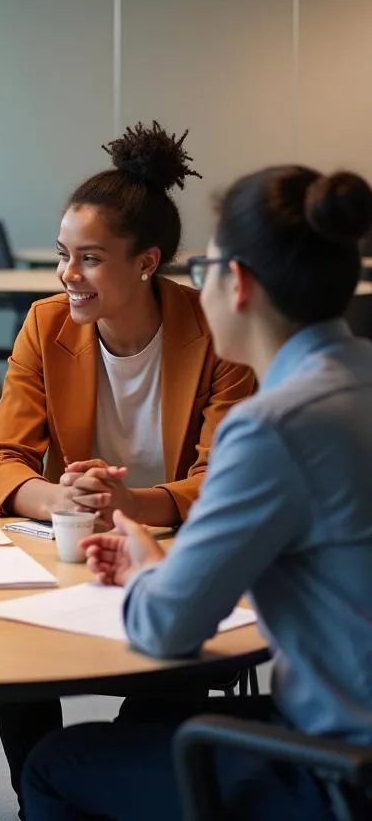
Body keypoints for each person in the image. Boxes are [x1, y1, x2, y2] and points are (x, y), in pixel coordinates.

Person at [22, 164, 372, 820]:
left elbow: (165, 629)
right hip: (337, 726)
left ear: (235, 284)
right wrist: (161, 562)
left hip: (336, 769)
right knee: (136, 733)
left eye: (207, 264)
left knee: (56, 765)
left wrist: (150, 570)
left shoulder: (275, 427)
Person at [0, 123, 256, 813]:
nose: (68, 275)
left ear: (145, 261)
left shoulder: (216, 331)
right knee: (9, 646)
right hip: (72, 555)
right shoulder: (47, 325)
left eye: (91, 258)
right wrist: (60, 496)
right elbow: (2, 460)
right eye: (63, 255)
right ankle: (34, 799)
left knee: (171, 667)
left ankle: (122, 791)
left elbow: (220, 479)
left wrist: (136, 505)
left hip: (175, 559)